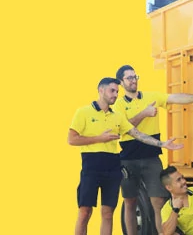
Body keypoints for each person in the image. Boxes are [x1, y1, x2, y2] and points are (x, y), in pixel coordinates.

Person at [114, 64, 193, 235]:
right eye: (129, 78)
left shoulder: (151, 96)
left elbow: (176, 98)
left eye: (135, 77)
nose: (134, 80)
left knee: (159, 202)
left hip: (151, 158)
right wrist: (144, 113)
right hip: (129, 160)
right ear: (121, 82)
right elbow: (123, 129)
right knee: (130, 203)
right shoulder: (118, 105)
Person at [69, 77, 183, 235]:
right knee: (84, 212)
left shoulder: (118, 116)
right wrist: (99, 138)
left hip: (112, 167)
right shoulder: (83, 112)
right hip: (91, 167)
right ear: (101, 90)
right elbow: (72, 139)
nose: (115, 94)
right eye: (112, 91)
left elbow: (137, 134)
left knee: (108, 214)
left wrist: (161, 144)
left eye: (117, 91)